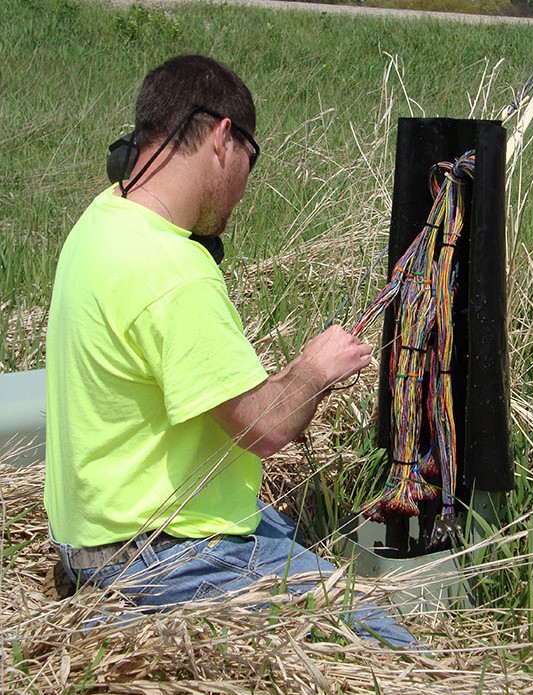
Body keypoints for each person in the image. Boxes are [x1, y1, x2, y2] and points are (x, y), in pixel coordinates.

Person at [44, 54, 414, 648]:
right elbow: (265, 431)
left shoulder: (103, 218)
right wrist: (316, 371)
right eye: (250, 158)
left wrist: (289, 373)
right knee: (383, 642)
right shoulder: (174, 272)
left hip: (93, 538)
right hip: (156, 556)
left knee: (292, 539)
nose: (245, 186)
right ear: (222, 138)